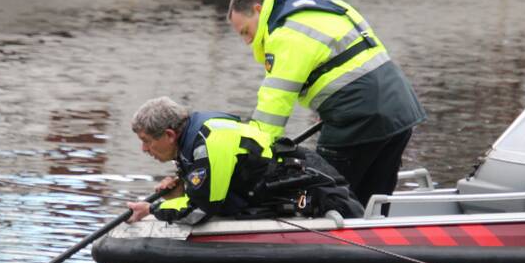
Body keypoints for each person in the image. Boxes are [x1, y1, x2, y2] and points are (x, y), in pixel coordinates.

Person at [227, 0, 426, 208]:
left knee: (323, 190)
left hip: (358, 116)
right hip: (400, 106)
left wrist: (251, 154)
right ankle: (379, 237)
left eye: (245, 31)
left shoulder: (284, 34)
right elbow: (353, 60)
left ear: (258, 9)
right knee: (374, 198)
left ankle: (329, 236)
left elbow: (273, 107)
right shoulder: (325, 6)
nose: (246, 41)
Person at [126, 97, 364, 224]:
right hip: (292, 172)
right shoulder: (196, 134)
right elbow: (214, 191)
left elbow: (202, 210)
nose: (144, 149)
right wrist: (181, 193)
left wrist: (153, 209)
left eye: (146, 141)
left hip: (314, 187)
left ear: (169, 135)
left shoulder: (206, 145)